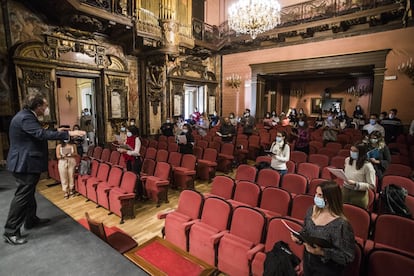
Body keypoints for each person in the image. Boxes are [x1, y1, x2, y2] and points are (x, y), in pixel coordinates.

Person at [4, 93, 85, 245]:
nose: (46, 108)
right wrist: (68, 133)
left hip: (25, 162)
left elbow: (36, 131)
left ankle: (31, 220)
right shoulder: (26, 117)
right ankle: (10, 231)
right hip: (25, 163)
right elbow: (40, 134)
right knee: (22, 196)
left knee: (28, 193)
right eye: (45, 105)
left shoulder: (25, 115)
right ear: (38, 106)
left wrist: (57, 130)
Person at [291, 181, 355, 275]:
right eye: (316, 193)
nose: (316, 197)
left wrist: (322, 252)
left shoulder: (341, 224)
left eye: (320, 195)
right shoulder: (311, 210)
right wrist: (299, 238)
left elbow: (347, 256)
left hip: (327, 270)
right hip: (308, 265)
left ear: (330, 198)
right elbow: (305, 231)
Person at [343, 143, 376, 209]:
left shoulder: (367, 166)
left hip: (359, 195)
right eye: (351, 150)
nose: (352, 153)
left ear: (361, 153)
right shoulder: (347, 160)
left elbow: (371, 185)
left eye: (355, 151)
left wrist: (356, 183)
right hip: (345, 191)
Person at [117, 125, 143, 198]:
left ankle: (139, 194)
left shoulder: (137, 139)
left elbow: (136, 152)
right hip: (129, 160)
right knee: (130, 175)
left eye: (128, 131)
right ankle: (132, 191)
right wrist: (121, 147)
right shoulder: (128, 139)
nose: (127, 133)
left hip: (135, 160)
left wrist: (126, 151)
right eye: (127, 131)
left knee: (136, 176)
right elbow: (125, 147)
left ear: (133, 132)